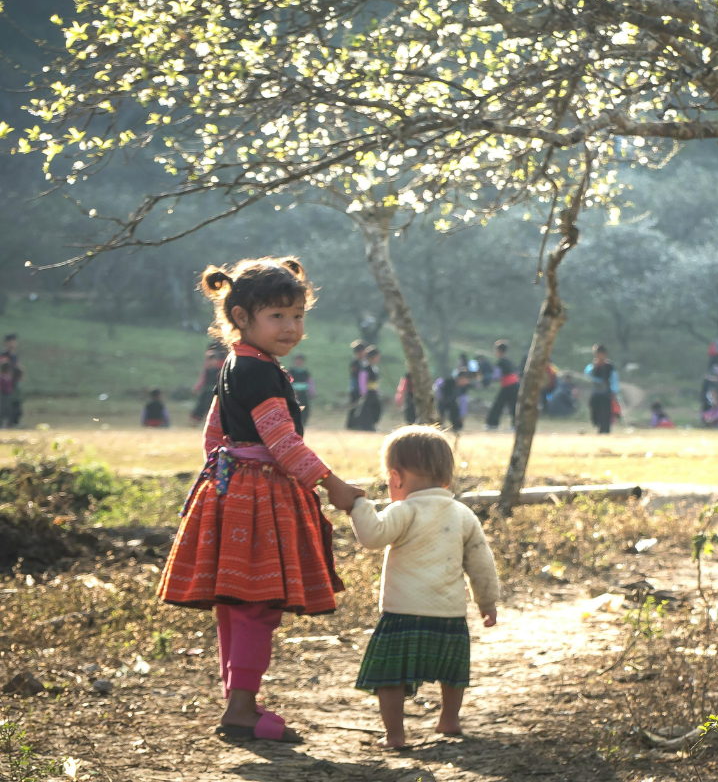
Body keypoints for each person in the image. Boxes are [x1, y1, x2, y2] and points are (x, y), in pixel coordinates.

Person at [156, 256, 360, 744]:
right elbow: (284, 443)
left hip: (231, 490)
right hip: (257, 494)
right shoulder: (261, 373)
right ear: (241, 317)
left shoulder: (238, 363)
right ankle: (242, 709)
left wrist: (223, 481)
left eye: (297, 316)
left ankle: (238, 702)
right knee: (255, 605)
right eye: (277, 316)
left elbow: (213, 432)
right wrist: (332, 485)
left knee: (237, 602)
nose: (291, 328)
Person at [349, 425, 500, 749]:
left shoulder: (405, 510)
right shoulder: (462, 514)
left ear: (396, 477)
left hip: (404, 612)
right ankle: (449, 720)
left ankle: (395, 736)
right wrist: (487, 602)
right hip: (449, 613)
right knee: (451, 671)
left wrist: (359, 506)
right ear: (447, 476)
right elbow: (480, 562)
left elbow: (373, 537)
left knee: (391, 677)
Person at [584, 344, 619, 435]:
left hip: (606, 392)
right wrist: (595, 367)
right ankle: (598, 425)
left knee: (606, 412)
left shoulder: (610, 366)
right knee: (594, 410)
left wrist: (614, 391)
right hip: (596, 392)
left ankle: (605, 430)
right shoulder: (592, 366)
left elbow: (614, 379)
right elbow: (587, 376)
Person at [485, 341, 519, 430]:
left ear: (499, 351)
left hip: (508, 386)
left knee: (498, 405)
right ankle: (516, 425)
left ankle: (492, 424)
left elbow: (496, 376)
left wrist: (488, 381)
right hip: (514, 385)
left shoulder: (501, 362)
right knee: (514, 406)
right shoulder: (508, 361)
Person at [190, 344, 227, 426]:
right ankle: (195, 422)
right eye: (208, 360)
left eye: (212, 360)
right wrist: (197, 387)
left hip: (216, 392)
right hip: (206, 391)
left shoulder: (220, 370)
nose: (209, 362)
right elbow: (202, 380)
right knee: (200, 405)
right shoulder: (207, 370)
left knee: (211, 406)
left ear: (216, 360)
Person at [348, 346, 382, 431]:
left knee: (377, 408)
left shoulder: (375, 368)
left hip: (373, 391)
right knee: (366, 410)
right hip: (367, 392)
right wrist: (363, 392)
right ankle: (365, 426)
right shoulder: (365, 368)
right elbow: (362, 380)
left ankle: (372, 424)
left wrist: (377, 390)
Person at [1, 333, 23, 429]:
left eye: (13, 342)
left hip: (14, 382)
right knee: (4, 403)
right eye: (10, 342)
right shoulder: (3, 354)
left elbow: (18, 367)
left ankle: (14, 422)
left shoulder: (15, 355)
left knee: (15, 402)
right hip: (4, 383)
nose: (12, 344)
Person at [348, 340, 366, 405]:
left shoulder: (364, 362)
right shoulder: (355, 362)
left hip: (362, 388)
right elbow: (355, 375)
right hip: (356, 389)